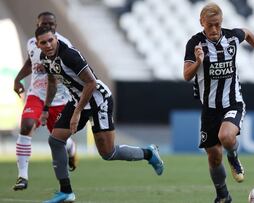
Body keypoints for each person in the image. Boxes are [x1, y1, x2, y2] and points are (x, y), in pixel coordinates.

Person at [35, 26, 164, 203]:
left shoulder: (69, 55)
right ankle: (66, 192)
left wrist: (77, 113)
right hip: (77, 101)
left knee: (108, 153)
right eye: (44, 42)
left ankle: (149, 153)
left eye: (51, 40)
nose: (48, 44)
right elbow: (52, 82)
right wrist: (46, 108)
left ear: (56, 38)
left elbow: (91, 83)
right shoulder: (45, 58)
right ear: (38, 44)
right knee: (55, 140)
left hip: (98, 100)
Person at [183, 3, 254, 203]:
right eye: (209, 25)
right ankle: (223, 196)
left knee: (226, 137)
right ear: (201, 23)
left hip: (233, 103)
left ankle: (233, 156)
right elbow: (186, 75)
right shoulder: (195, 44)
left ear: (221, 22)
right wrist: (198, 62)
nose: (214, 29)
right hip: (209, 109)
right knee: (214, 156)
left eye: (217, 24)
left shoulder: (232, 37)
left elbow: (248, 33)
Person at [12, 12, 77, 191]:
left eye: (51, 24)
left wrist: (46, 109)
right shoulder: (33, 43)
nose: (49, 26)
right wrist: (18, 79)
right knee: (26, 125)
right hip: (37, 94)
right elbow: (29, 62)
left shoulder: (63, 46)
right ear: (38, 24)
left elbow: (55, 81)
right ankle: (22, 176)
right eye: (44, 23)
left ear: (56, 26)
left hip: (59, 99)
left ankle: (71, 149)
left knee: (57, 138)